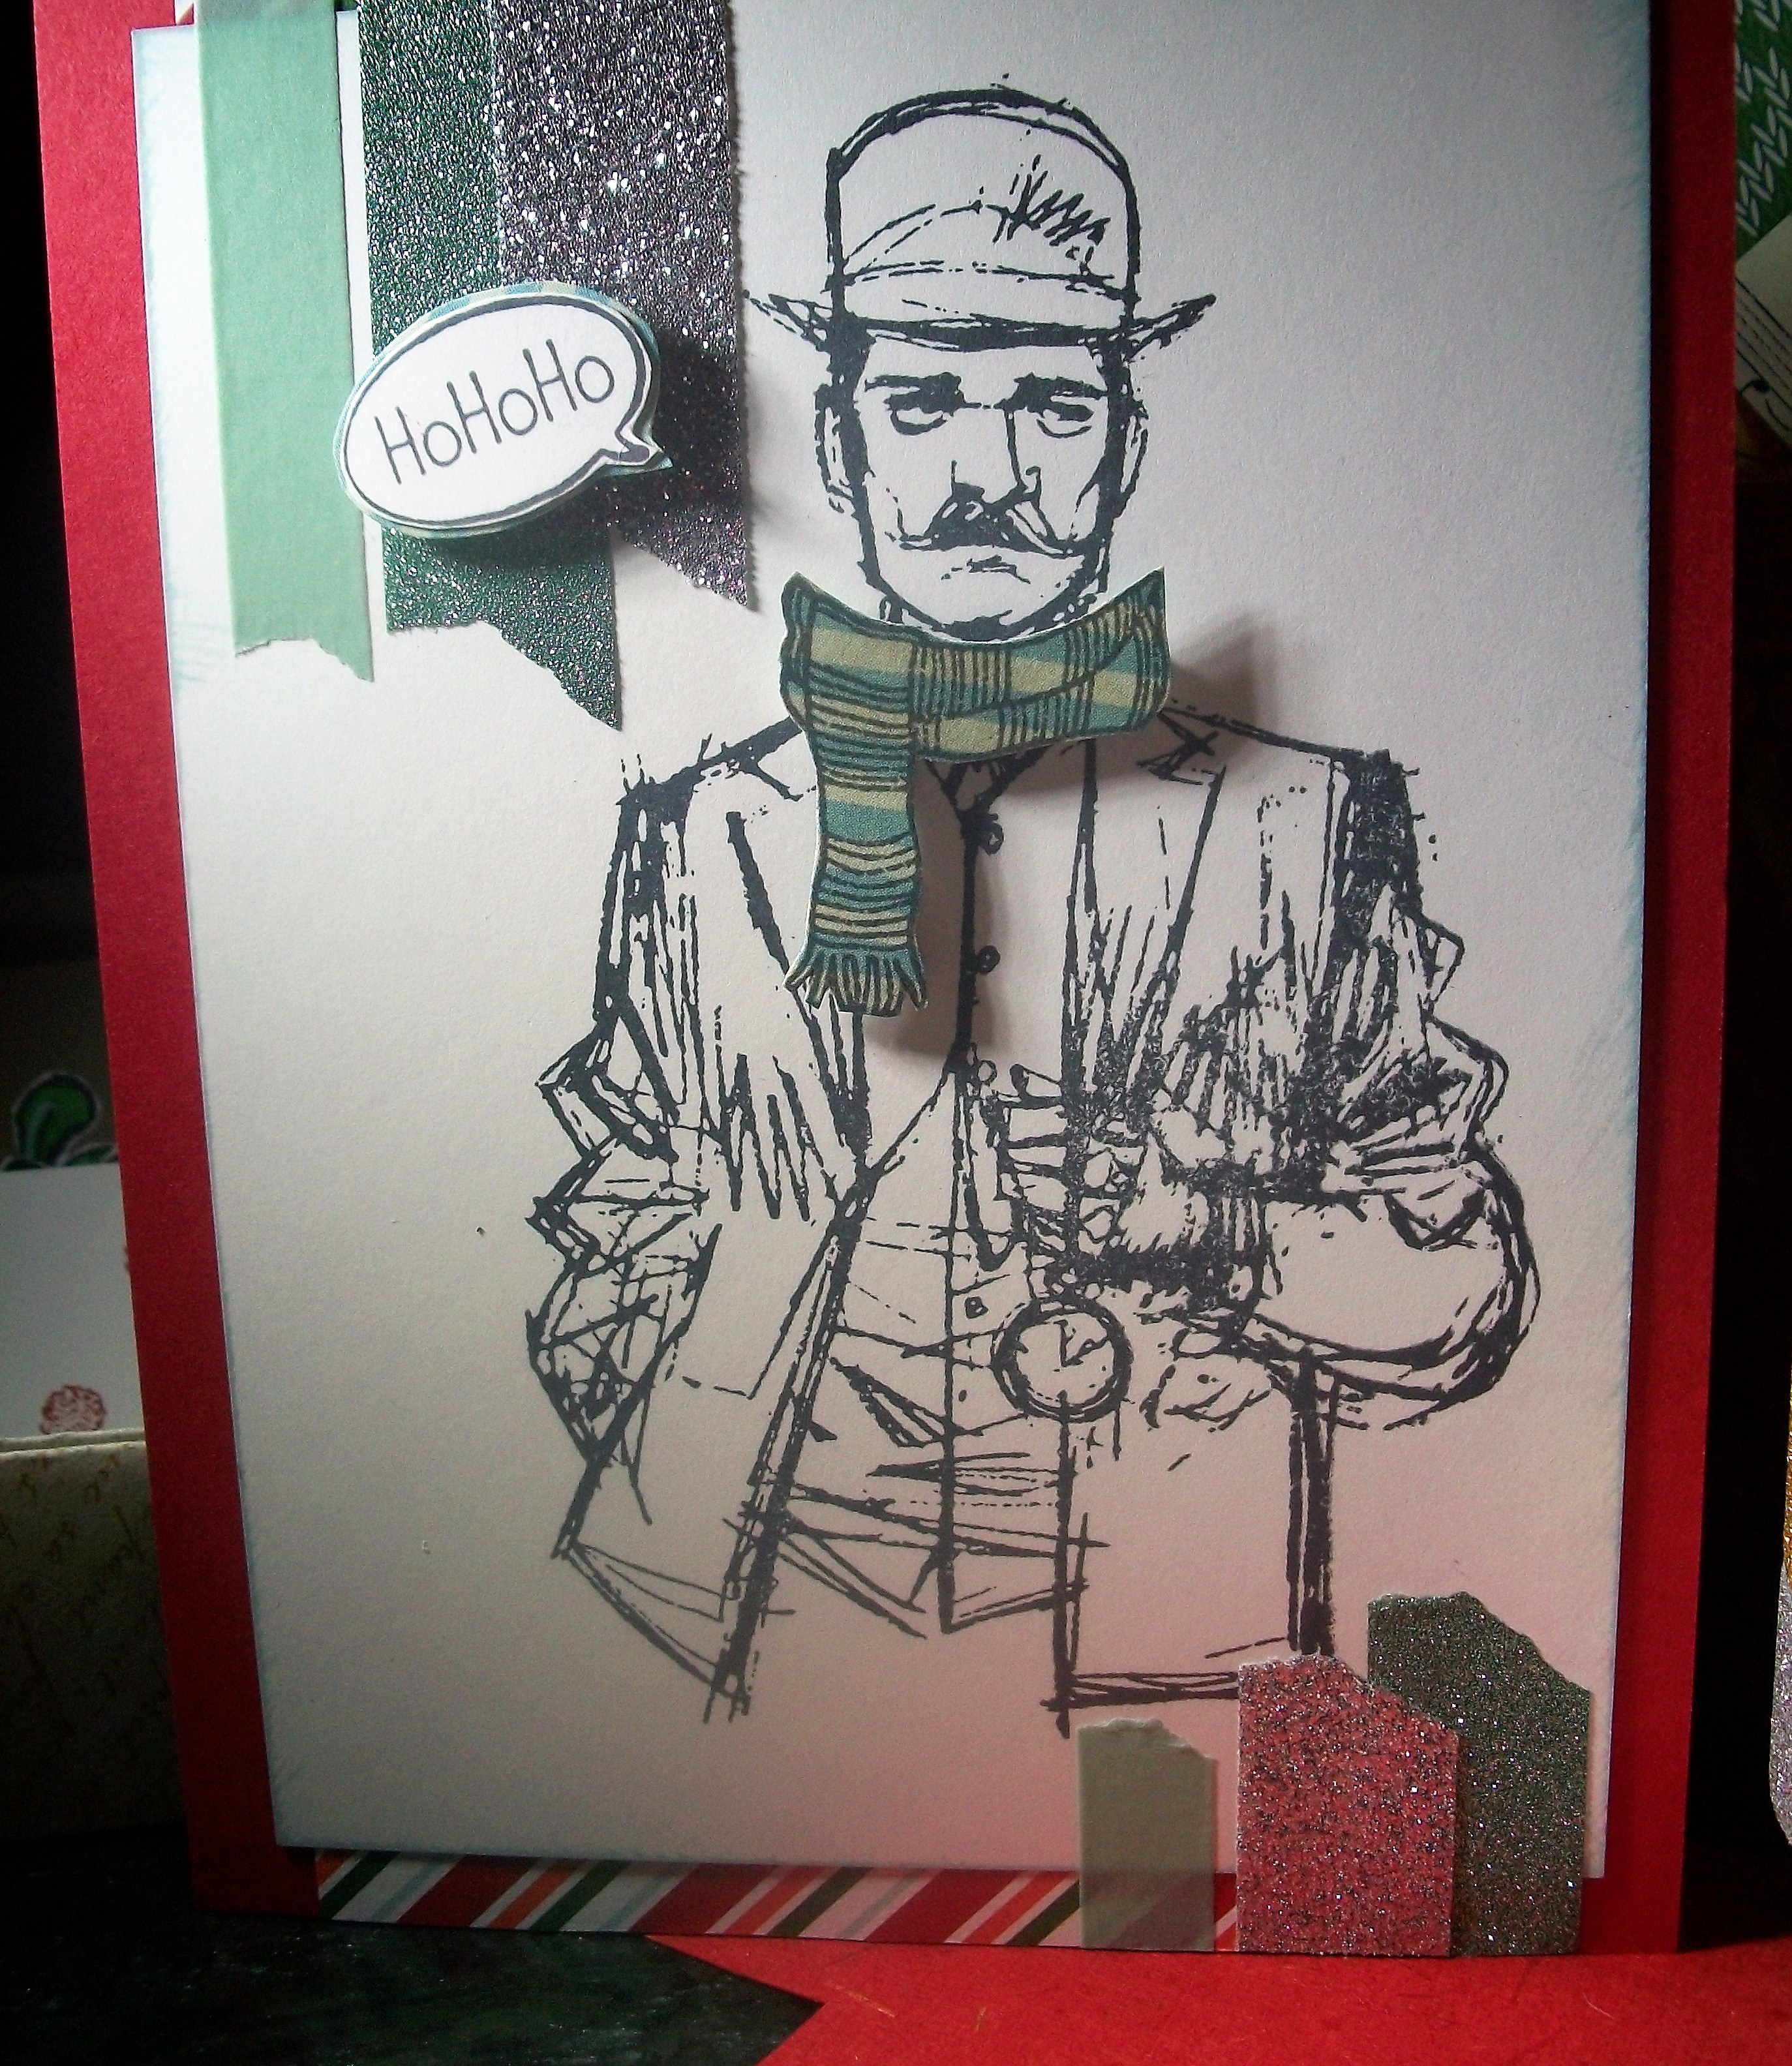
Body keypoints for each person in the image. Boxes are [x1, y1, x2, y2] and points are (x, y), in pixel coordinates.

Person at [530, 88, 1536, 1727]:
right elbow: (617, 1210)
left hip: (1161, 1660)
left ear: (1125, 442)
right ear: (839, 440)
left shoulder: (1311, 827)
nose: (986, 473)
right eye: (922, 400)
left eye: (1055, 407)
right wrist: (694, 1381)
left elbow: (1463, 1278)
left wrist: (1204, 1224)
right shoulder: (701, 829)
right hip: (737, 1649)